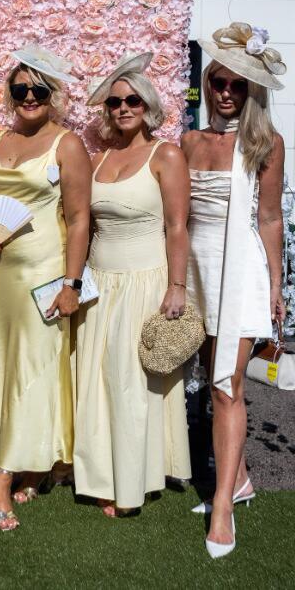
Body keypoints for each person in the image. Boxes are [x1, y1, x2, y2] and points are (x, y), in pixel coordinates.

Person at [0, 46, 91, 531]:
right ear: (10, 95)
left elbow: (80, 219)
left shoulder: (68, 145)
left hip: (43, 275)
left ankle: (4, 477)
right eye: (20, 90)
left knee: (35, 371)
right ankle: (32, 463)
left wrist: (72, 283)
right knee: (4, 367)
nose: (29, 97)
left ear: (52, 95)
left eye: (38, 90)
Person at [182, 23, 286, 558]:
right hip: (197, 272)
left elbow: (269, 218)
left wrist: (277, 283)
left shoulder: (266, 143)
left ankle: (222, 504)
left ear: (251, 92)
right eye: (218, 82)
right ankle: (239, 478)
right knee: (207, 375)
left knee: (227, 386)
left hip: (239, 270)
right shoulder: (189, 140)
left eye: (237, 85)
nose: (225, 92)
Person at [73, 52, 192, 516]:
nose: (123, 108)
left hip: (146, 282)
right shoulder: (99, 159)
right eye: (115, 102)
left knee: (129, 384)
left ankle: (132, 483)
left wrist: (177, 285)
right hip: (100, 284)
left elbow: (178, 227)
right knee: (96, 381)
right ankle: (99, 473)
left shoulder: (166, 154)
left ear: (148, 106)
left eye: (133, 101)